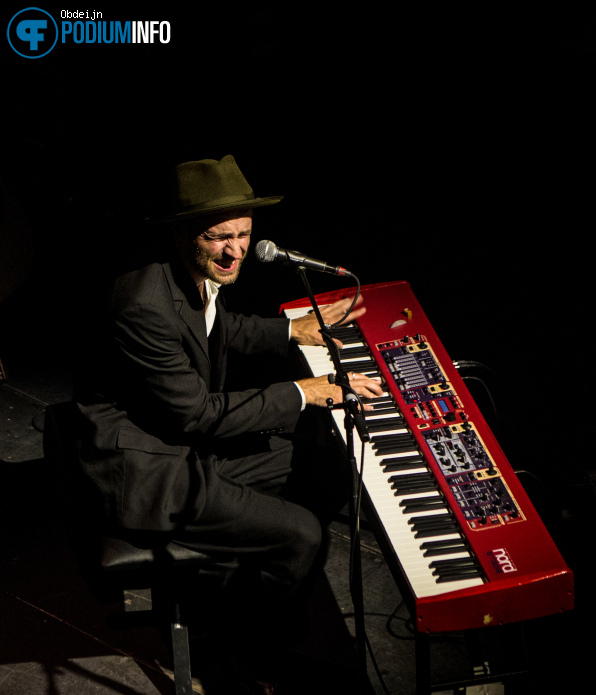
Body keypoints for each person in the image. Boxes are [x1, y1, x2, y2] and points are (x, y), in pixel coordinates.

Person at [73, 154, 383, 692]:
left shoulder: (190, 273)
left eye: (243, 234)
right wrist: (301, 392)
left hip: (180, 439)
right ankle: (236, 654)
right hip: (147, 469)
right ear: (182, 232)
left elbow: (217, 326)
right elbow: (197, 414)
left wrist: (291, 332)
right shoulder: (143, 301)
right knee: (302, 535)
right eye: (219, 237)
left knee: (323, 459)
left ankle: (238, 592)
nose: (235, 250)